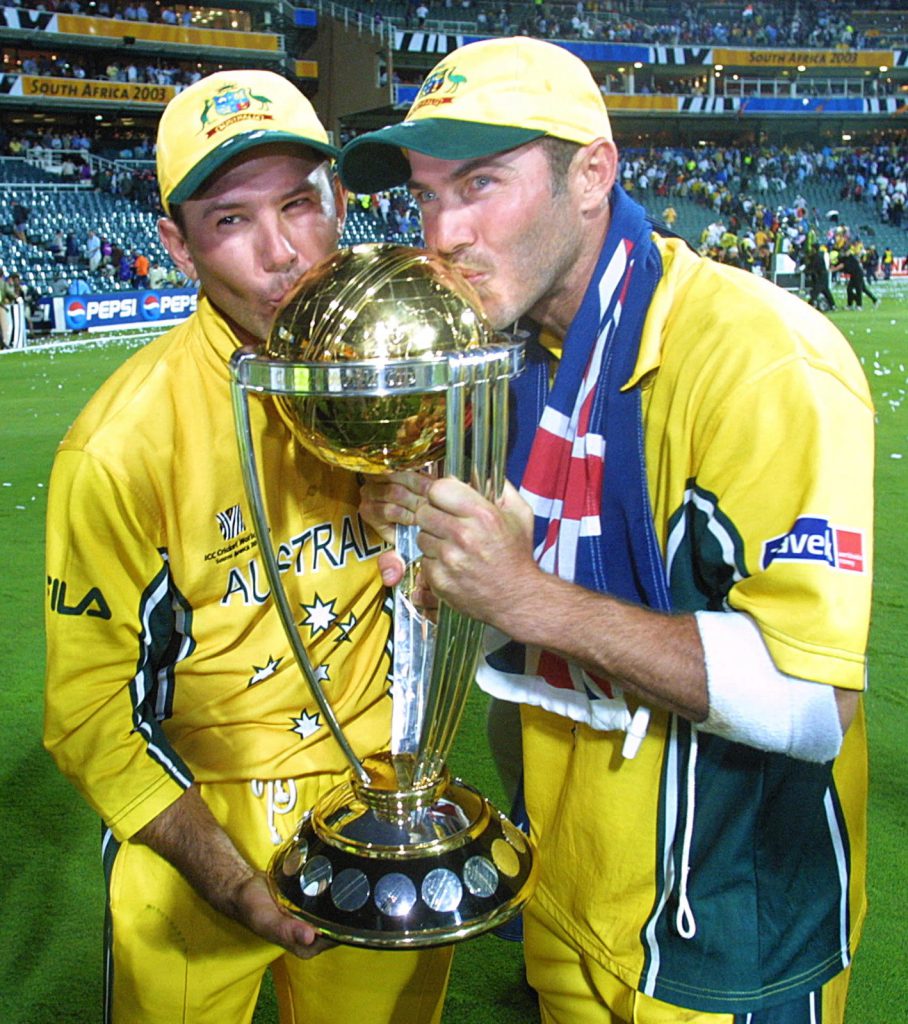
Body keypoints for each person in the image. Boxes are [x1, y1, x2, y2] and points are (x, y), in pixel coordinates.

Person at [339, 36, 873, 1024]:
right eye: (424, 195)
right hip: (564, 897)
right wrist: (445, 568)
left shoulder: (761, 360)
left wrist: (523, 594)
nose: (443, 232)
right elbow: (517, 648)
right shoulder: (499, 362)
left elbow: (811, 702)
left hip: (727, 938)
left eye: (480, 183)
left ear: (591, 175)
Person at [43, 69, 452, 1024]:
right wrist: (228, 878)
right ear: (176, 245)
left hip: (380, 808)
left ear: (339, 202)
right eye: (231, 220)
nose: (284, 255)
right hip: (194, 825)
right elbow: (89, 710)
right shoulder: (121, 446)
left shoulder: (422, 385)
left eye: (299, 205)